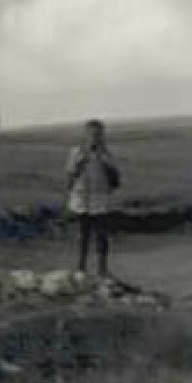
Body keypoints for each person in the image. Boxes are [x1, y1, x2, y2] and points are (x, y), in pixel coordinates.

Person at [65, 118, 119, 276]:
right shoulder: (76, 152)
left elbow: (115, 181)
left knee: (101, 235)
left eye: (98, 134)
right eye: (92, 134)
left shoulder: (107, 154)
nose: (95, 138)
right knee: (83, 234)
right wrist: (80, 162)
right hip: (82, 199)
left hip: (100, 199)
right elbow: (69, 177)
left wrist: (107, 165)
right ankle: (81, 267)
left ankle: (102, 268)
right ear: (86, 135)